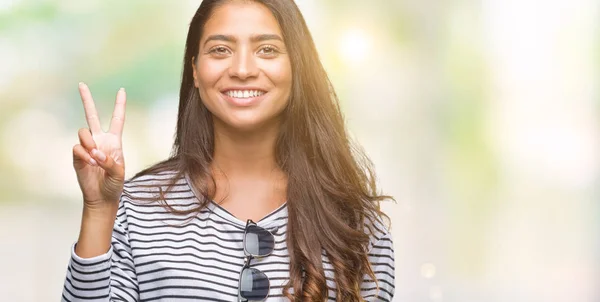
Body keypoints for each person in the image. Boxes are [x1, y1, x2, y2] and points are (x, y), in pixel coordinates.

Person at [62, 0, 395, 301]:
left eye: (267, 49)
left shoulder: (354, 224)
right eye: (220, 50)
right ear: (195, 69)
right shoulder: (135, 210)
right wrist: (100, 208)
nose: (242, 69)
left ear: (298, 68)